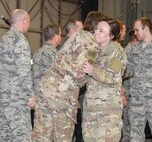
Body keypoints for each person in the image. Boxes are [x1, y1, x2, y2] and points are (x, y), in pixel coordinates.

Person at [32, 11, 105, 142]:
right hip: (62, 95)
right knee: (63, 137)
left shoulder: (77, 35)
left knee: (41, 136)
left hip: (46, 87)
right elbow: (80, 74)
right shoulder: (93, 46)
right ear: (98, 27)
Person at [82, 18, 127, 142]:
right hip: (90, 109)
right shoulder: (92, 51)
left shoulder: (117, 53)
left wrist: (92, 70)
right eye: (96, 29)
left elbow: (113, 77)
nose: (96, 32)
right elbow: (84, 76)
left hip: (108, 112)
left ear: (111, 35)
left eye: (101, 31)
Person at [0, 9, 35, 141]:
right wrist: (30, 95)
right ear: (25, 21)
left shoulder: (3, 40)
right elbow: (24, 72)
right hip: (17, 100)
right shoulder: (20, 41)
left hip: (3, 99)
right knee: (22, 137)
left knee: (5, 136)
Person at [32, 24, 62, 97]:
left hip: (37, 93)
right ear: (55, 37)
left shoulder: (37, 52)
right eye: (60, 35)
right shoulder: (54, 54)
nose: (61, 38)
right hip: (49, 95)